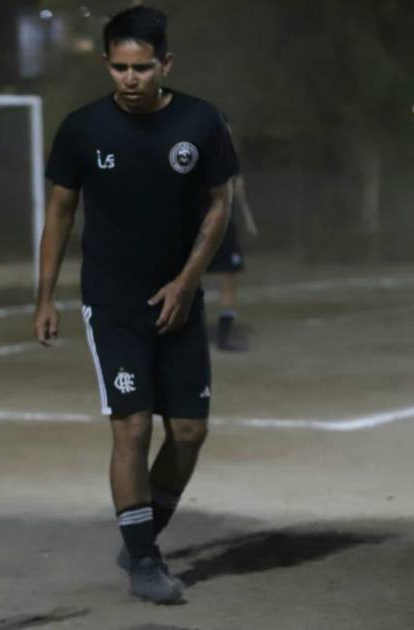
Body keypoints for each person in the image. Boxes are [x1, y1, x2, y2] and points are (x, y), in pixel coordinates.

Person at [32, 5, 238, 604]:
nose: (130, 79)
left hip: (180, 302)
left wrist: (186, 281)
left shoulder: (201, 121)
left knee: (190, 432)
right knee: (133, 426)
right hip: (113, 302)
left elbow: (219, 205)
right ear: (107, 63)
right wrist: (45, 297)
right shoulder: (82, 128)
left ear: (164, 64)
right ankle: (145, 562)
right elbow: (59, 213)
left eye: (142, 68)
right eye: (119, 67)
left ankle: (141, 534)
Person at [206, 121, 259, 351]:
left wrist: (248, 219)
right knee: (218, 280)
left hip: (215, 226)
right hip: (212, 225)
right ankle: (218, 336)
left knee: (223, 278)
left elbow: (239, 189)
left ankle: (221, 334)